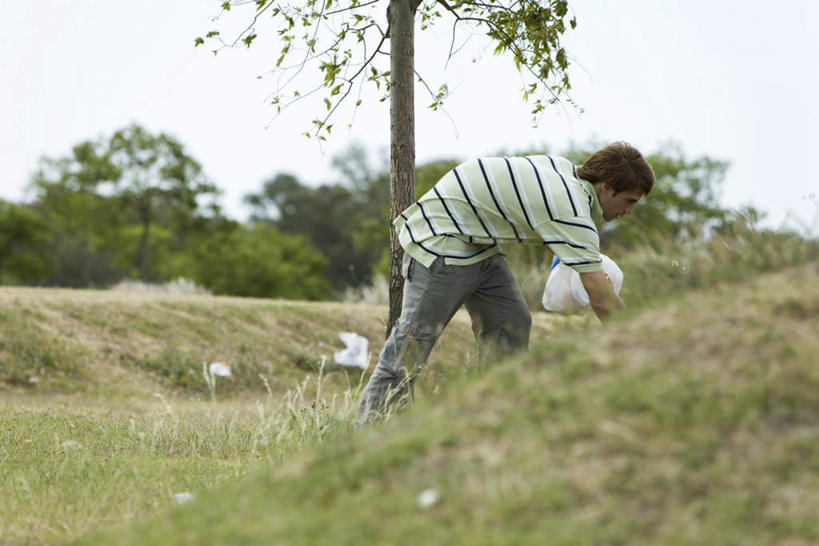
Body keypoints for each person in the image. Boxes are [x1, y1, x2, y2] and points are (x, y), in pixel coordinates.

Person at [355, 142, 655, 425]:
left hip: (478, 241)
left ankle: (490, 419)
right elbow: (602, 301)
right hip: (440, 239)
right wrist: (642, 348)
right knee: (412, 345)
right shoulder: (571, 209)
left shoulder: (564, 170)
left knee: (512, 323)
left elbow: (552, 238)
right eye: (629, 201)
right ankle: (370, 437)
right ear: (605, 187)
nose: (629, 212)